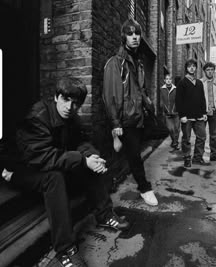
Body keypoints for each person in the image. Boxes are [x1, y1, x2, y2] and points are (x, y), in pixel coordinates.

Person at [2, 77, 129, 267]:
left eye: (76, 103)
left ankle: (104, 214)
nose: (70, 107)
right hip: (27, 167)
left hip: (49, 162)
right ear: (56, 97)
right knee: (56, 177)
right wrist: (82, 160)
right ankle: (65, 249)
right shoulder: (37, 117)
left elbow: (81, 142)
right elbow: (41, 157)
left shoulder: (70, 117)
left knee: (86, 163)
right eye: (66, 100)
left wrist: (93, 158)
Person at [102, 18, 158, 206]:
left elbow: (141, 89)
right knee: (134, 155)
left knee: (133, 151)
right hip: (126, 119)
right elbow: (111, 95)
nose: (134, 37)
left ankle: (111, 180)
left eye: (137, 34)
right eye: (130, 33)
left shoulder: (139, 63)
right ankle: (144, 188)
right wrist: (116, 124)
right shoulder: (115, 63)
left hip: (139, 117)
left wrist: (148, 103)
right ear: (123, 37)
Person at [175, 59, 208, 168]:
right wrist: (182, 115)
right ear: (186, 68)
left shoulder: (199, 83)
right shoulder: (182, 83)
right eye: (189, 66)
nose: (192, 68)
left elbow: (202, 98)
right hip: (187, 117)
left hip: (199, 116)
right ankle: (187, 158)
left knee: (202, 136)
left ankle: (197, 157)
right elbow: (178, 101)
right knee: (186, 138)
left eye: (194, 66)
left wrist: (204, 112)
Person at [201, 62, 216, 163]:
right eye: (208, 70)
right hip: (203, 112)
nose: (210, 72)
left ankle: (214, 155)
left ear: (214, 71)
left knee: (214, 135)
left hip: (215, 112)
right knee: (201, 135)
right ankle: (198, 156)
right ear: (205, 71)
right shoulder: (200, 82)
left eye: (212, 70)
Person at [160, 74, 180, 150]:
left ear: (171, 80)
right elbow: (161, 100)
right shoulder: (162, 89)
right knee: (170, 129)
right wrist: (163, 109)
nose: (168, 80)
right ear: (164, 80)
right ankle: (174, 141)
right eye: (167, 79)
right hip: (167, 113)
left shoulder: (176, 89)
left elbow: (178, 100)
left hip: (176, 112)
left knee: (177, 129)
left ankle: (175, 143)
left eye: (170, 79)